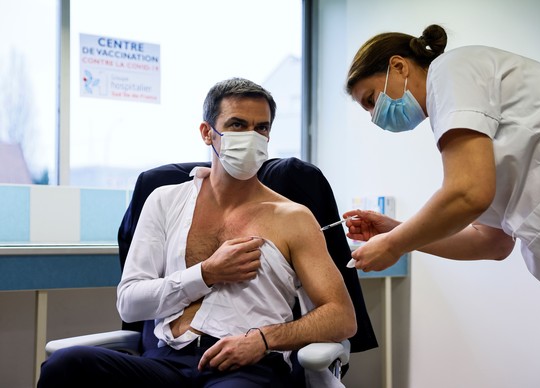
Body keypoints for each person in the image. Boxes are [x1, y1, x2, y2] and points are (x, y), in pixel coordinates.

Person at [38, 77, 357, 388]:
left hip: (248, 366)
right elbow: (130, 304)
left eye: (262, 128)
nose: (252, 136)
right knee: (66, 366)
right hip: (164, 363)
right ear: (208, 133)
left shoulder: (293, 217)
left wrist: (263, 339)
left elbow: (341, 317)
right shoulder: (164, 201)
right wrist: (206, 273)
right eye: (237, 124)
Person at [343, 24, 540, 387]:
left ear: (399, 66)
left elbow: (468, 192)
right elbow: (490, 242)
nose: (375, 117)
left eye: (371, 100)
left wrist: (394, 244)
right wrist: (396, 230)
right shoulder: (464, 121)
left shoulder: (452, 69)